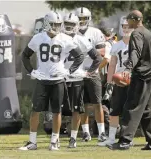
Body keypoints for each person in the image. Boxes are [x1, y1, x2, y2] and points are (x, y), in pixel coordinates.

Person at [19, 11, 84, 151]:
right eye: (54, 24)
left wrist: (68, 71)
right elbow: (25, 56)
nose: (57, 27)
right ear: (47, 24)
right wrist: (32, 71)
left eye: (59, 24)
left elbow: (79, 56)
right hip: (42, 80)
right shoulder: (37, 38)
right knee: (35, 111)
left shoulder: (65, 39)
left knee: (57, 112)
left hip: (58, 81)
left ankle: (54, 141)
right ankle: (32, 142)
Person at [108, 10, 151, 150]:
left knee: (131, 107)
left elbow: (135, 52)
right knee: (148, 110)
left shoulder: (136, 33)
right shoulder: (150, 34)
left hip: (142, 75)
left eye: (128, 20)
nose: (127, 23)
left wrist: (128, 69)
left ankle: (124, 141)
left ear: (134, 20)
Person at [62, 13, 102, 148]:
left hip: (76, 78)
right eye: (67, 23)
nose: (69, 26)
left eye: (72, 24)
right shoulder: (57, 38)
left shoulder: (82, 39)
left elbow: (97, 58)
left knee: (76, 110)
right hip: (60, 77)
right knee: (56, 110)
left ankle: (73, 138)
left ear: (76, 26)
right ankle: (54, 138)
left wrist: (89, 72)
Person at [98, 16, 134, 146]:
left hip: (132, 81)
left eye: (128, 27)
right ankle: (112, 138)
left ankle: (128, 138)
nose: (126, 29)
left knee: (130, 111)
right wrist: (109, 83)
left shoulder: (137, 43)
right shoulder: (116, 45)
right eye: (124, 27)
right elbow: (112, 65)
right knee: (114, 110)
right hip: (118, 80)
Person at [75, 7, 107, 142]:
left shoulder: (95, 32)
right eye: (79, 19)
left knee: (97, 103)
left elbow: (102, 53)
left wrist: (93, 67)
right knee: (82, 104)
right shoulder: (71, 32)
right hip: (78, 72)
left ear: (88, 19)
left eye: (84, 18)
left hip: (92, 70)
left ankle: (101, 133)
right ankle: (86, 133)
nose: (82, 21)